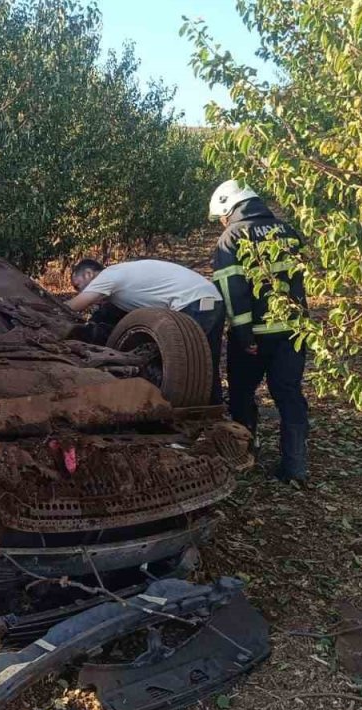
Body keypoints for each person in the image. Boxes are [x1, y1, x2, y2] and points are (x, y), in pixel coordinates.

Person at [208, 180, 309, 483]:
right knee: (289, 395)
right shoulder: (289, 232)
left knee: (241, 394)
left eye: (222, 216)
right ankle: (295, 468)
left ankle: (245, 455)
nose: (222, 223)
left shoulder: (233, 237)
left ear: (230, 206)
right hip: (293, 332)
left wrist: (244, 335)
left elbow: (232, 288)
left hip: (255, 335)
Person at [68, 258, 224, 404]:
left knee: (182, 368)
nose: (78, 291)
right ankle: (216, 413)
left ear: (89, 274)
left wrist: (51, 311)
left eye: (78, 286)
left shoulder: (108, 276)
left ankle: (178, 413)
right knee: (207, 365)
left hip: (194, 302)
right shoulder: (122, 280)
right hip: (209, 299)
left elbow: (76, 305)